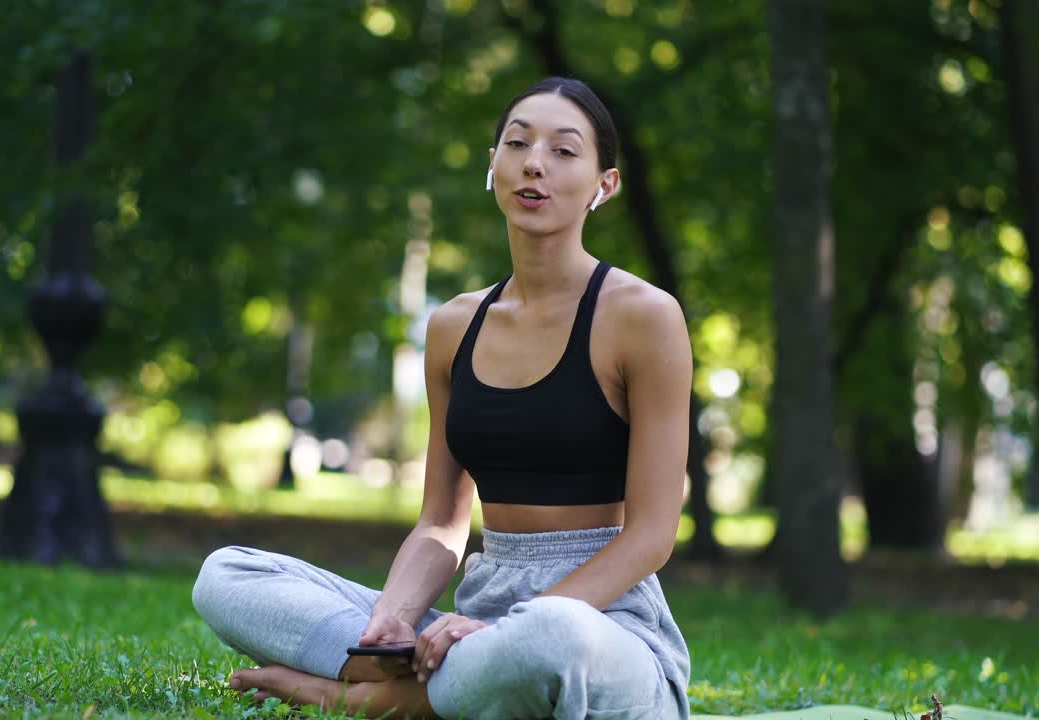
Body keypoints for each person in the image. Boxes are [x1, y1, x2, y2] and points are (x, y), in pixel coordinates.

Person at [192, 77, 693, 720]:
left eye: (565, 151)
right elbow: (441, 522)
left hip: (603, 629)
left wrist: (521, 621)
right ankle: (425, 682)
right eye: (517, 143)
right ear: (493, 166)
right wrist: (394, 620)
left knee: (546, 641)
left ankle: (360, 700)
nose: (534, 162)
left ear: (605, 184)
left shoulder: (643, 316)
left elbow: (652, 536)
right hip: (471, 624)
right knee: (228, 577)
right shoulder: (455, 326)